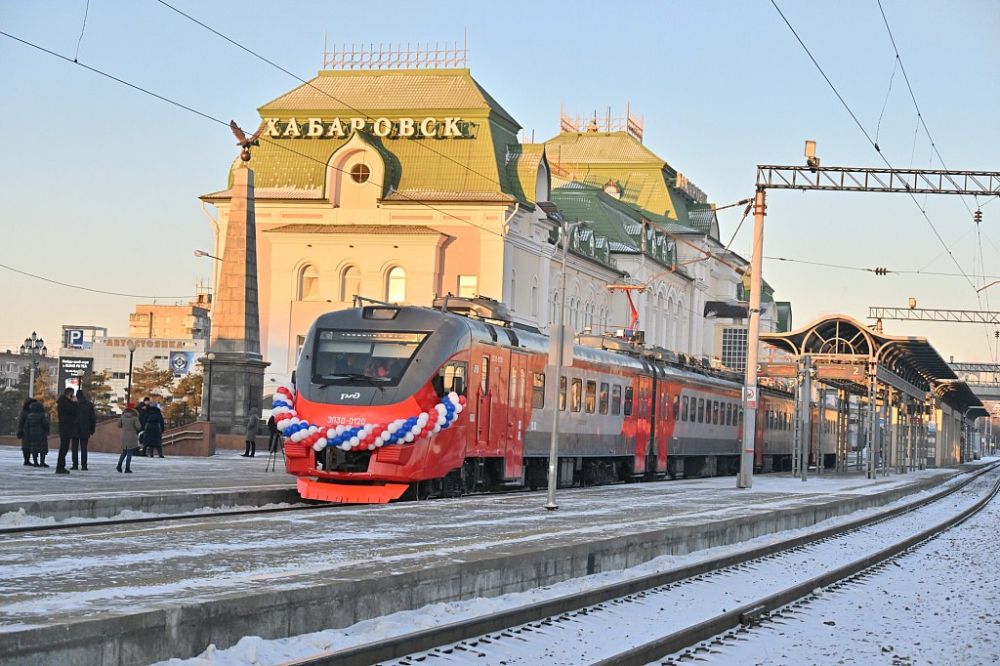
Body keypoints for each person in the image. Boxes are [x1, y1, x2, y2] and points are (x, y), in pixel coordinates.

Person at [55, 387, 78, 474]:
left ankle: (61, 466)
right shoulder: (65, 403)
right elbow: (73, 411)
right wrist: (75, 403)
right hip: (66, 427)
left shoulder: (63, 402)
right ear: (70, 394)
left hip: (65, 427)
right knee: (64, 448)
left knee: (64, 448)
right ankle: (60, 467)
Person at [73, 391, 97, 471]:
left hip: (75, 429)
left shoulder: (74, 405)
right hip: (85, 429)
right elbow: (92, 418)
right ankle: (84, 465)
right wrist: (92, 429)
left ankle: (75, 465)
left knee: (74, 448)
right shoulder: (89, 405)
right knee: (84, 448)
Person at [23, 401, 50, 468]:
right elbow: (45, 424)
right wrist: (47, 430)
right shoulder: (42, 415)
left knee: (34, 448)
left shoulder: (29, 416)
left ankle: (35, 462)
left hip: (32, 435)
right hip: (41, 434)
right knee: (42, 449)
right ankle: (42, 462)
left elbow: (26, 426)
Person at [117, 402, 141, 473]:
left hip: (124, 436)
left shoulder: (123, 416)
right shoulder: (134, 417)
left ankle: (119, 465)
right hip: (132, 436)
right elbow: (138, 427)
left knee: (124, 452)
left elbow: (119, 425)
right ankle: (127, 468)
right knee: (129, 453)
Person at [16, 398, 35, 466]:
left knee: (30, 446)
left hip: (31, 431)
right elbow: (21, 422)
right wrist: (20, 431)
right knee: (26, 446)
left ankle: (28, 460)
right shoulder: (25, 412)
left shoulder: (30, 411)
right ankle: (26, 460)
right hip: (26, 431)